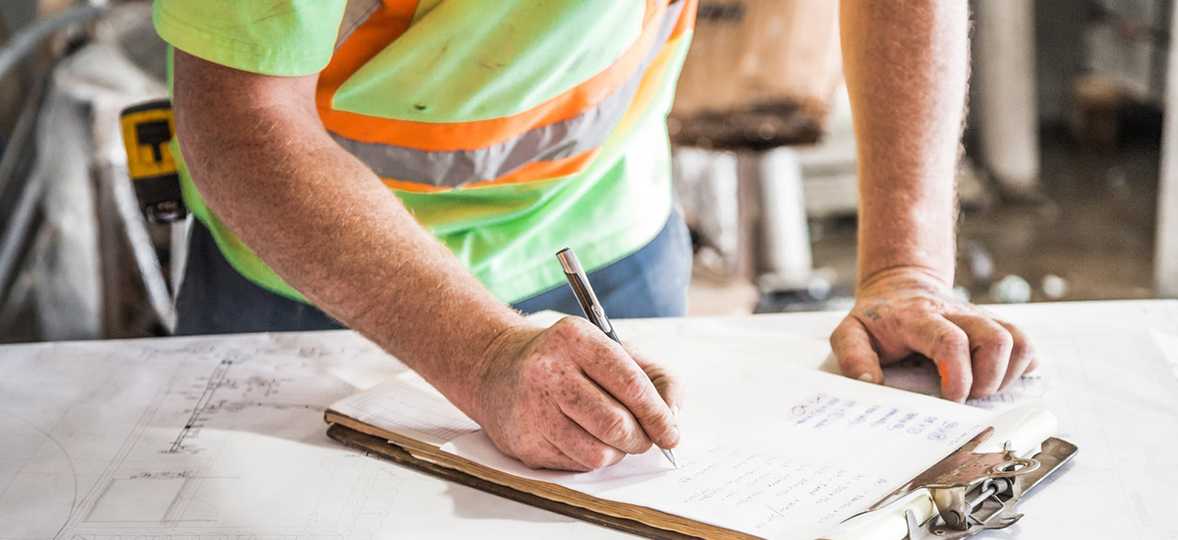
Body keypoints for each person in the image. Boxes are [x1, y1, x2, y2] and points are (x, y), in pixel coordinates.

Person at [156, 0, 1035, 472]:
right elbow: (241, 117)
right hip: (318, 282)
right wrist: (477, 350)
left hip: (607, 239)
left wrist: (905, 268)